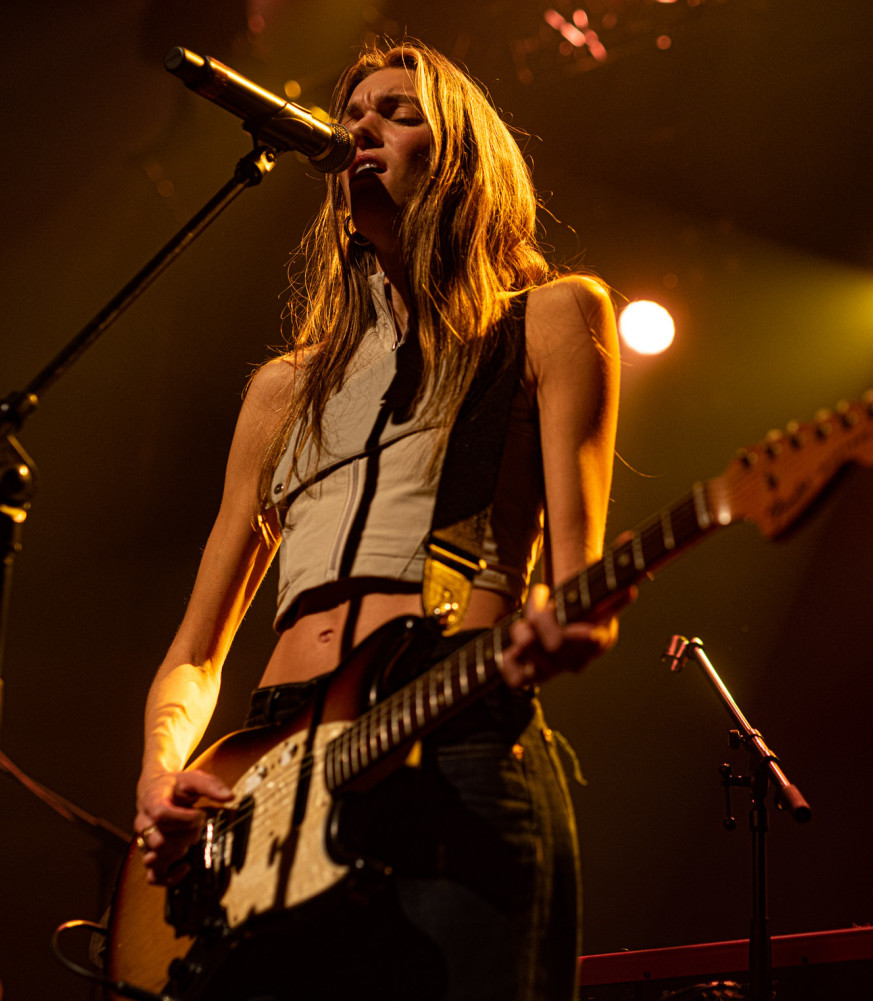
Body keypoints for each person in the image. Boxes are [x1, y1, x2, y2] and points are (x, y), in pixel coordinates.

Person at [130, 39, 621, 1001]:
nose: (361, 127)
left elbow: (581, 588)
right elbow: (197, 648)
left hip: (450, 737)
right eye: (353, 114)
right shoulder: (283, 390)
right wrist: (161, 774)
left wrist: (566, 625)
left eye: (398, 112)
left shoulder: (552, 320)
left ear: (462, 160)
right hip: (269, 766)